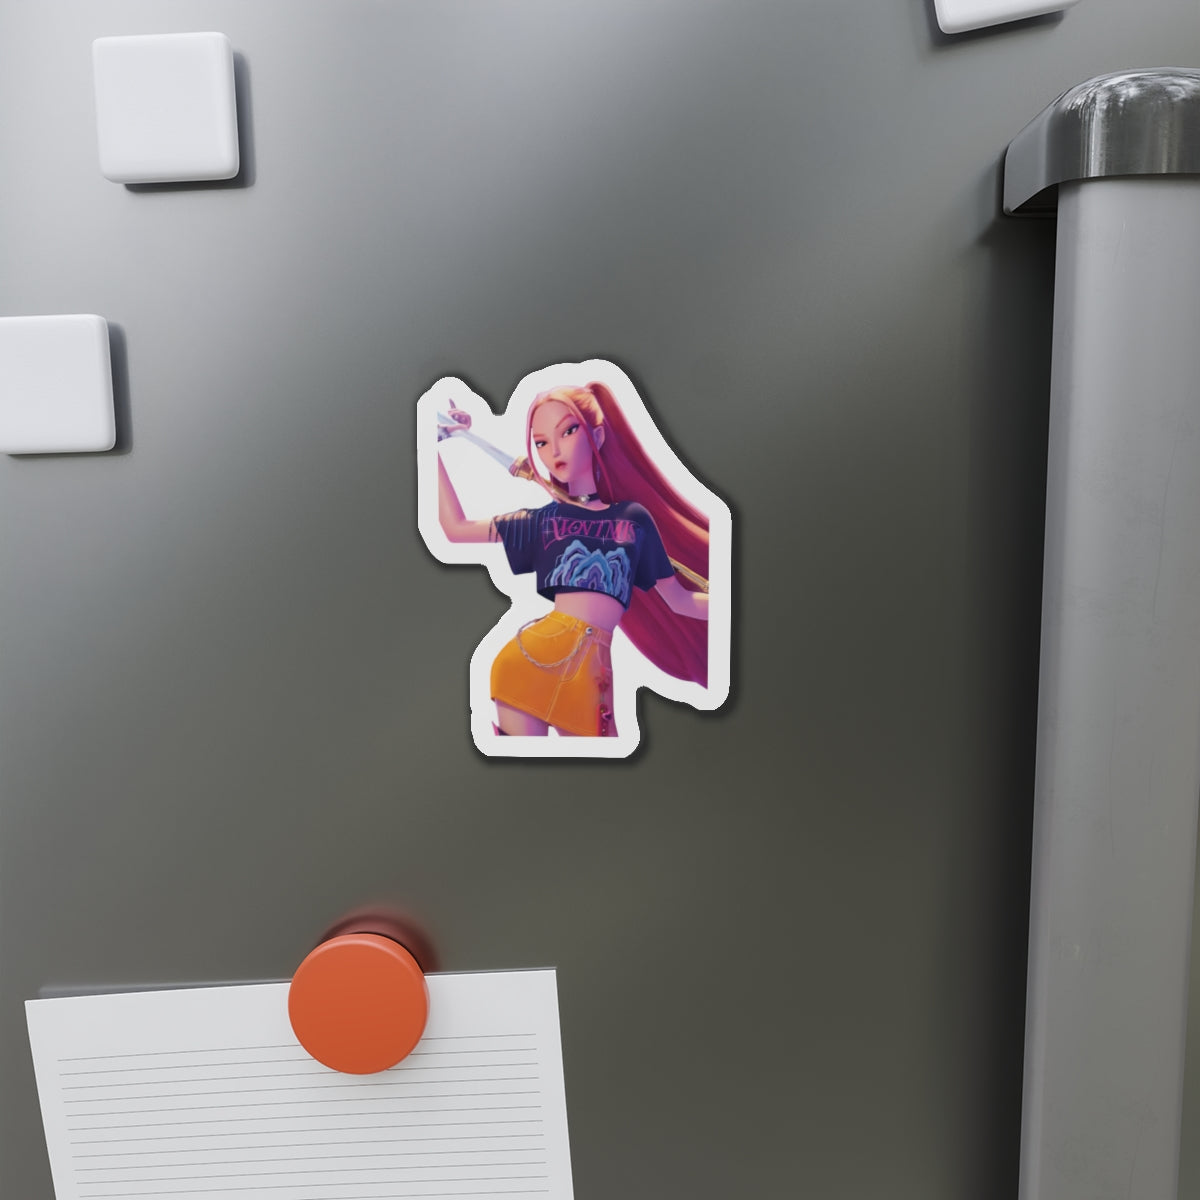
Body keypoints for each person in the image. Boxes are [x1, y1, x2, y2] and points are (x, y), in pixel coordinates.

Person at [437, 381, 710, 737]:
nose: (554, 451)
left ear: (597, 436)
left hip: (593, 678)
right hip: (528, 663)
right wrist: (429, 448)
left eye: (567, 432)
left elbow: (680, 600)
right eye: (541, 442)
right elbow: (456, 529)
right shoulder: (546, 521)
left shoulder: (632, 520)